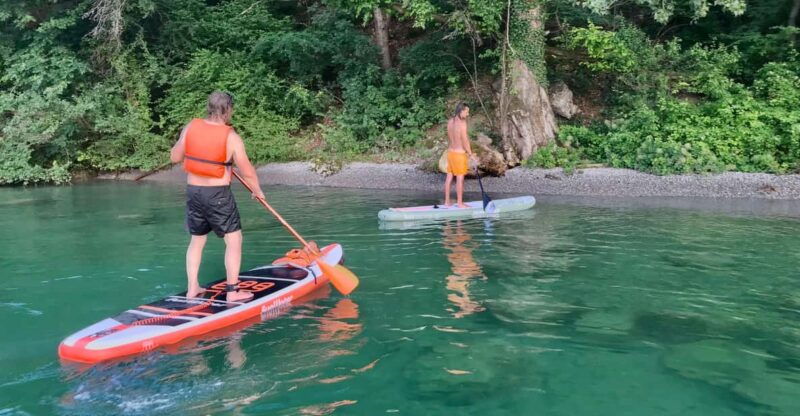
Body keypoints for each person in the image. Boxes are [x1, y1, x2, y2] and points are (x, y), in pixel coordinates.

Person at [170, 91, 264, 302]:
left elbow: (175, 156)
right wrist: (257, 191)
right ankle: (232, 292)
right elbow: (247, 170)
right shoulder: (231, 137)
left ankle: (192, 287)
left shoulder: (190, 128)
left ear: (209, 107)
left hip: (194, 192)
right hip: (217, 195)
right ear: (228, 109)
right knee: (234, 240)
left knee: (197, 240)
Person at [444, 103, 478, 208]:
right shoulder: (462, 124)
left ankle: (447, 202)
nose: (468, 114)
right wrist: (470, 154)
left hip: (450, 153)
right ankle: (459, 203)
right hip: (459, 154)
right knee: (460, 178)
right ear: (461, 111)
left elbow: (450, 138)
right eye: (466, 112)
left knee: (449, 176)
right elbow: (465, 140)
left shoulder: (450, 122)